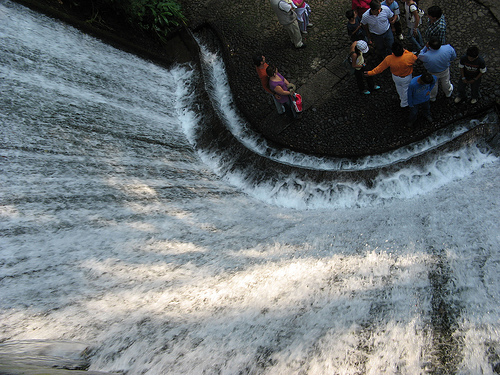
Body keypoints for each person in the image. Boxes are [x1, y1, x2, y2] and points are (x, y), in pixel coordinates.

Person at [365, 41, 417, 107]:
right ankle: (404, 103)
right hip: (406, 77)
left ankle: (402, 99)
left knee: (399, 87)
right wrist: (406, 51)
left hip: (395, 77)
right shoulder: (409, 56)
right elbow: (415, 58)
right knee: (406, 89)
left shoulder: (389, 59)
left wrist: (370, 73)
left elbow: (380, 68)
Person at [417, 36, 456, 101]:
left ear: (429, 45)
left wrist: (426, 47)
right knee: (446, 82)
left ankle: (432, 97)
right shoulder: (448, 48)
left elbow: (420, 55)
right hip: (444, 70)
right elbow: (453, 57)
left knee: (433, 85)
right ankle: (448, 93)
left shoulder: (426, 56)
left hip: (432, 72)